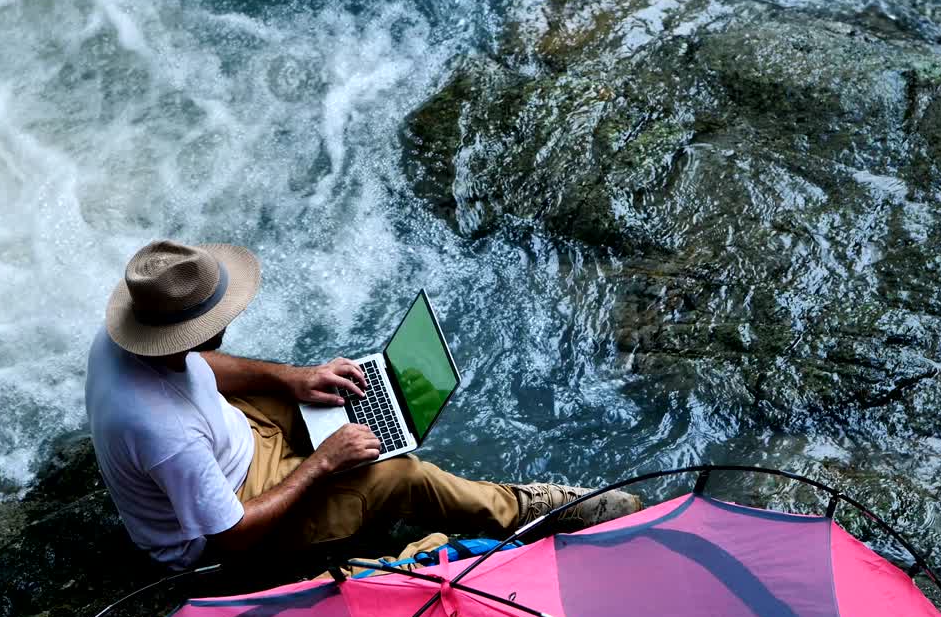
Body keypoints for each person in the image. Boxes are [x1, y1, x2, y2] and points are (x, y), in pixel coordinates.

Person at [85, 240, 643, 570]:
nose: (227, 321)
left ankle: (337, 413)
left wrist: (294, 379)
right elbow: (228, 534)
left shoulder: (128, 339)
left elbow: (200, 365)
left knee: (339, 391)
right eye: (216, 319)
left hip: (234, 437)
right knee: (398, 471)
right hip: (229, 521)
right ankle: (524, 509)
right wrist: (322, 463)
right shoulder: (165, 433)